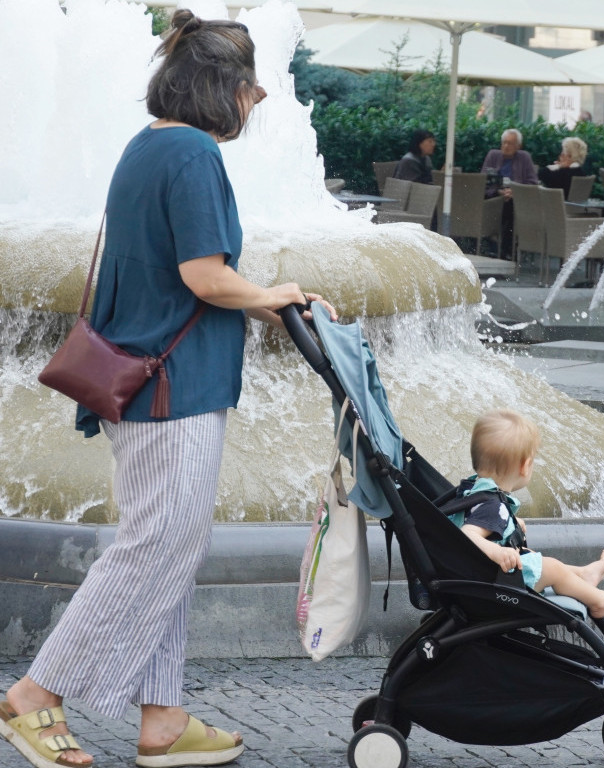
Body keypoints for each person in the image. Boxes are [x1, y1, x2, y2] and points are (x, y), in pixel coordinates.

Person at [1, 12, 337, 768]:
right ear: (223, 88)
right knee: (156, 544)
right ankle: (35, 693)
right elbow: (204, 277)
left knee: (170, 547)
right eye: (251, 87)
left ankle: (163, 717)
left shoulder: (150, 146)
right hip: (170, 386)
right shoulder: (191, 155)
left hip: (151, 378)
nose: (257, 102)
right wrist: (275, 293)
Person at [452, 409, 604, 619]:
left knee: (532, 556)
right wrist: (497, 552)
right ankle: (599, 602)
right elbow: (466, 535)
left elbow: (478, 519)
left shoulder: (474, 488)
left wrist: (509, 522)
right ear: (525, 466)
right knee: (550, 567)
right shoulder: (493, 506)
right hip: (493, 584)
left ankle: (582, 575)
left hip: (479, 576)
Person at [480, 129, 537, 257]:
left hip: (516, 199)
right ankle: (505, 249)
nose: (506, 146)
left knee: (510, 205)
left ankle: (505, 249)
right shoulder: (493, 155)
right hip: (494, 197)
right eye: (504, 143)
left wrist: (515, 191)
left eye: (510, 143)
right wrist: (499, 191)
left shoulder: (524, 158)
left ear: (518, 146)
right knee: (506, 205)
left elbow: (533, 183)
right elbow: (483, 180)